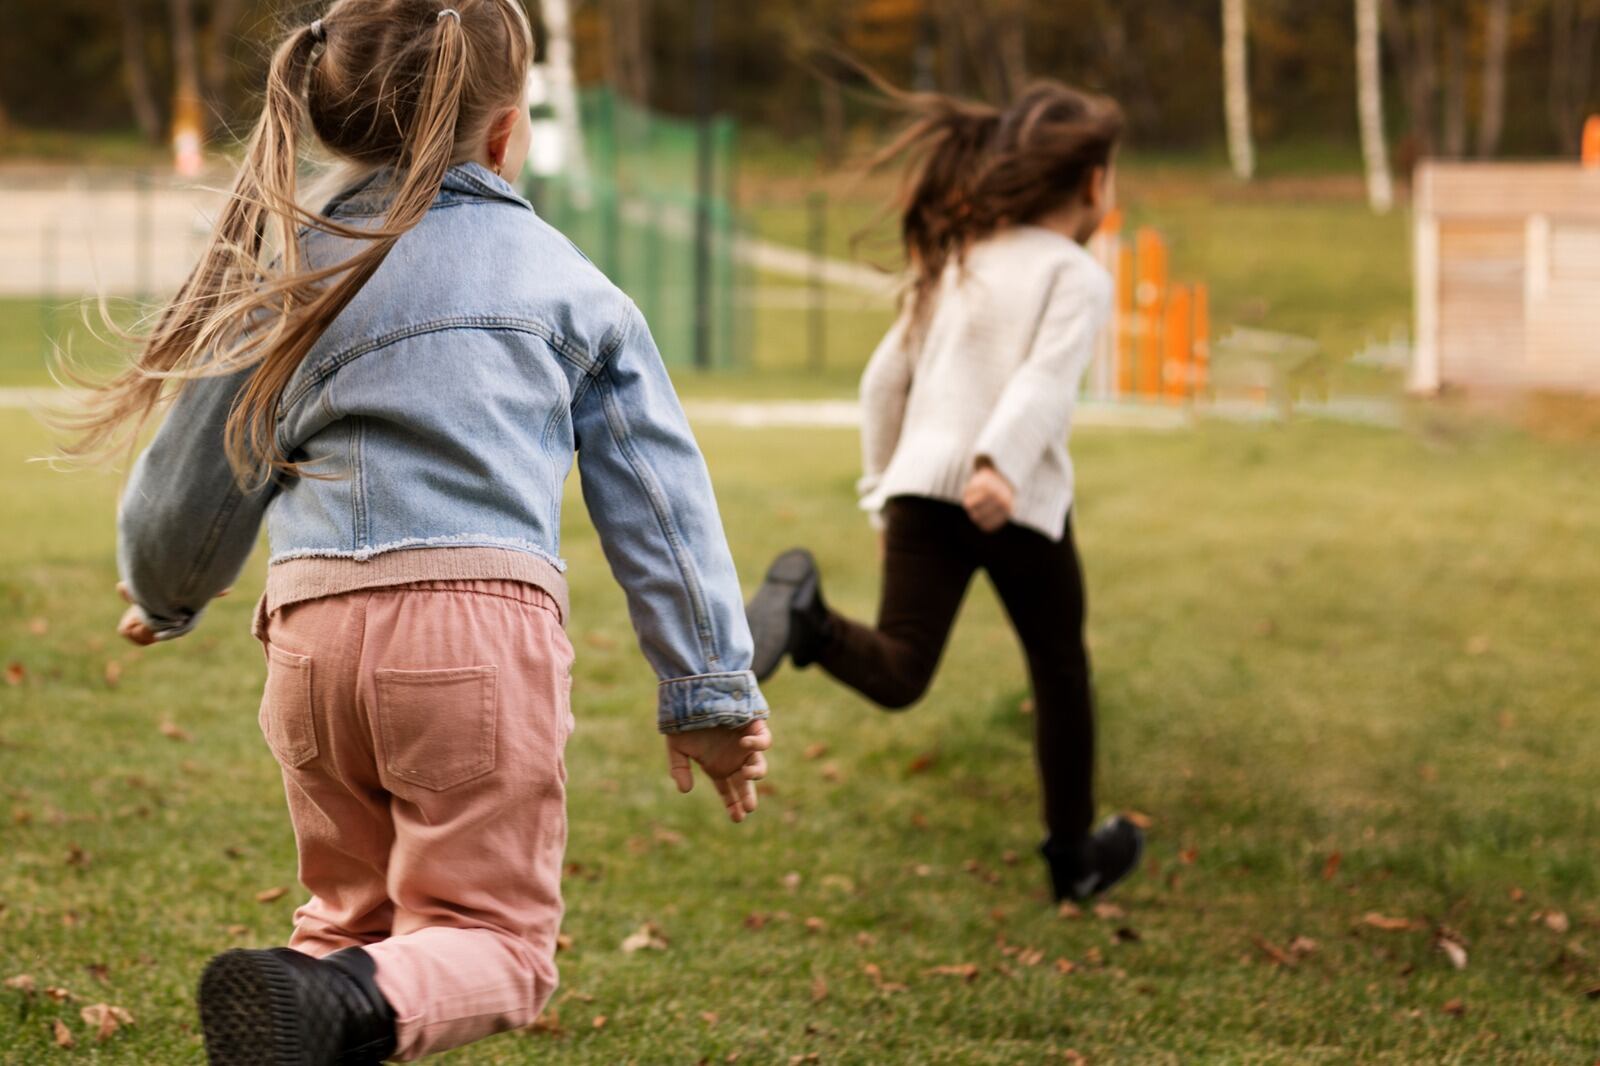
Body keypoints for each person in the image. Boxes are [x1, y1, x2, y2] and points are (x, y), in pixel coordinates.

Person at [65, 1, 772, 1061]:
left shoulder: (292, 273)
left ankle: (311, 1003)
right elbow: (661, 505)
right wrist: (707, 692)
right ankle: (331, 1003)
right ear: (504, 132)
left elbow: (197, 473)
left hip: (310, 645)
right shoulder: (569, 284)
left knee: (348, 935)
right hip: (473, 639)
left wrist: (163, 592)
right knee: (496, 943)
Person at [746, 80, 1140, 905]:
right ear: (1093, 182)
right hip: (1011, 502)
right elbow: (1045, 381)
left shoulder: (960, 257)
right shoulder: (1075, 273)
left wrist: (882, 494)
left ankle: (810, 620)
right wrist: (997, 465)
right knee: (1060, 668)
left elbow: (882, 382)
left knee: (901, 669)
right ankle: (1074, 858)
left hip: (919, 491)